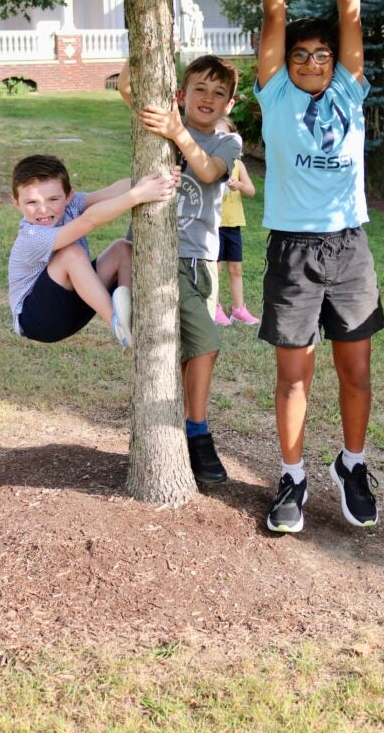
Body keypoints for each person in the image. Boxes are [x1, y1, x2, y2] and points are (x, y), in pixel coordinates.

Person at [255, 0, 384, 534]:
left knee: (355, 370)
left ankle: (352, 466)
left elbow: (352, 18)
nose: (311, 61)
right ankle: (293, 476)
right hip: (293, 250)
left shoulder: (348, 93)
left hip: (349, 246)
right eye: (301, 55)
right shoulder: (275, 95)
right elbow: (274, 17)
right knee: (293, 375)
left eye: (322, 54)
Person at [123, 55, 242, 484]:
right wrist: (142, 49)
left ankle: (182, 426)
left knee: (194, 347)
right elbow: (127, 90)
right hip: (159, 257)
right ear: (181, 93)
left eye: (219, 93)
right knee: (202, 343)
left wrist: (178, 132)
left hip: (201, 262)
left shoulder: (228, 142)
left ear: (229, 103)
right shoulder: (163, 125)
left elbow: (209, 173)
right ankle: (197, 431)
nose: (208, 98)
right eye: (200, 89)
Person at [9, 154, 178, 348]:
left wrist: (160, 181)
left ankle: (131, 318)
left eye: (53, 199)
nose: (44, 209)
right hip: (37, 321)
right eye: (32, 202)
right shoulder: (31, 237)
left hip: (75, 307)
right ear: (16, 203)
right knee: (70, 253)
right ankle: (118, 325)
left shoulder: (72, 205)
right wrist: (137, 196)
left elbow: (114, 190)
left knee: (122, 249)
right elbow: (89, 220)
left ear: (68, 196)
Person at [214, 116, 260, 327]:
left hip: (233, 225)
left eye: (225, 135)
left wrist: (239, 185)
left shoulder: (238, 164)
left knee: (236, 268)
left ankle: (238, 309)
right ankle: (214, 307)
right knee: (217, 268)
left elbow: (251, 190)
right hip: (214, 224)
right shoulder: (209, 162)